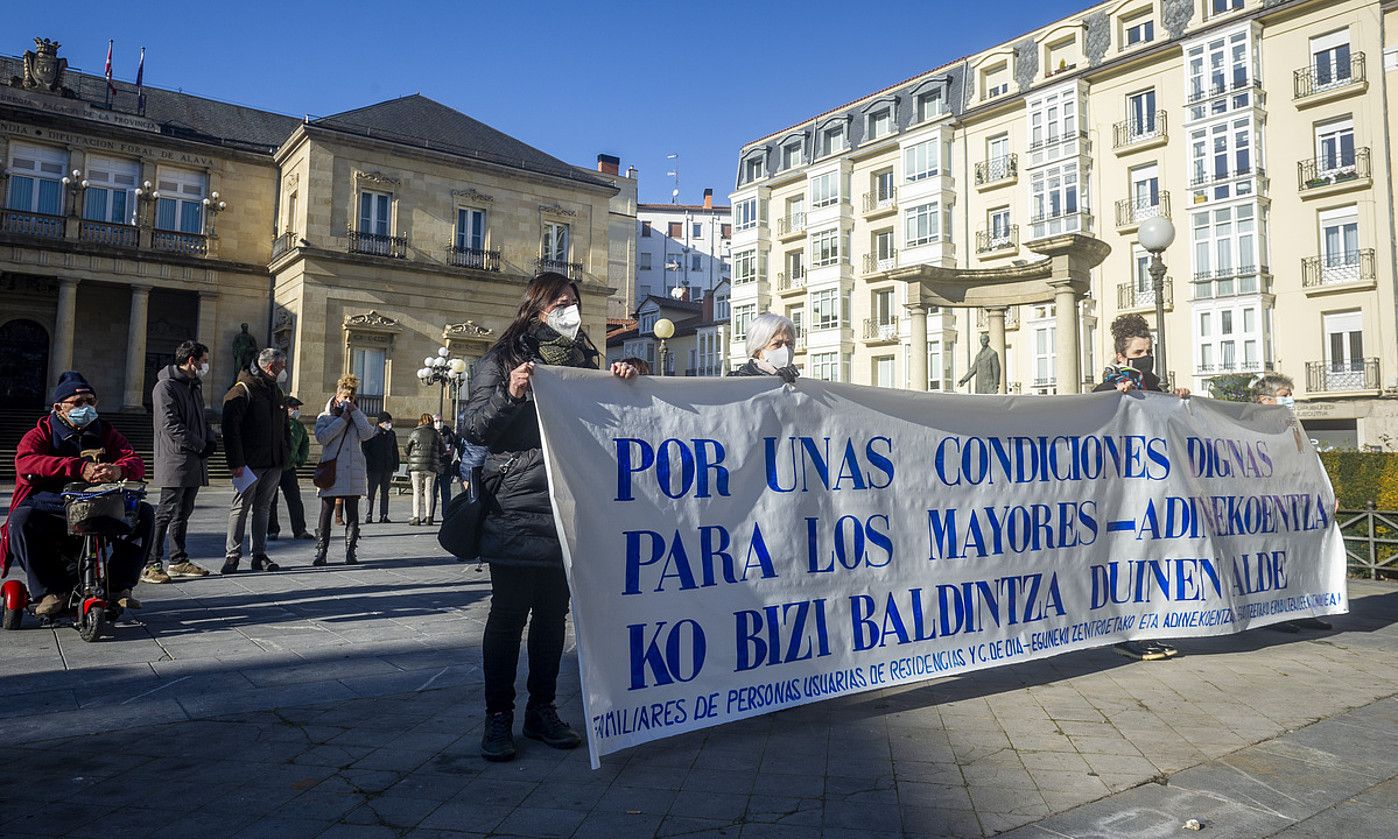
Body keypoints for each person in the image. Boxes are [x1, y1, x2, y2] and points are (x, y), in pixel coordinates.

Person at [463, 271, 638, 762]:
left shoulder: (585, 360)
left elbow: (614, 421)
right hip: (518, 502)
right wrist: (511, 394)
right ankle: (497, 717)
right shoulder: (501, 360)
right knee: (508, 614)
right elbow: (475, 428)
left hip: (572, 499)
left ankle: (542, 711)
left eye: (574, 301)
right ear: (536, 307)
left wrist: (630, 379)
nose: (570, 308)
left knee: (552, 616)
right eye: (559, 301)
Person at [1, 372, 152, 616]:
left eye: (90, 402)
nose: (86, 408)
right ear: (59, 407)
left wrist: (118, 469)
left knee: (143, 514)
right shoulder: (41, 432)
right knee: (20, 521)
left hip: (96, 504)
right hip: (52, 507)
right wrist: (78, 468)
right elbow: (27, 462)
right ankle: (50, 591)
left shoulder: (105, 431)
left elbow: (134, 460)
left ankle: (119, 586)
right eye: (78, 403)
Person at [1093, 314, 1188, 661]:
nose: (1145, 357)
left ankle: (1150, 629)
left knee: (1152, 560)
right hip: (1122, 492)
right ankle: (1126, 633)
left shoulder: (1154, 386)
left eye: (1148, 351)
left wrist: (1179, 400)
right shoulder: (1104, 388)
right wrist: (1114, 399)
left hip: (1154, 489)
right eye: (1138, 352)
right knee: (1127, 560)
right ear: (1121, 356)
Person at [1251, 372, 1332, 633]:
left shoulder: (1293, 425)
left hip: (1296, 503)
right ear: (1265, 400)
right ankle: (1274, 612)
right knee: (1274, 557)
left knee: (1300, 556)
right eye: (1285, 396)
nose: (1291, 401)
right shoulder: (1249, 426)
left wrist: (1327, 494)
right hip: (1268, 504)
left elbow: (1308, 462)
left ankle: (1304, 608)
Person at [143, 339, 215, 584]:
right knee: (166, 510)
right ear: (192, 360)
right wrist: (199, 443)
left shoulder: (195, 385)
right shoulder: (166, 387)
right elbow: (170, 424)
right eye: (204, 361)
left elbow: (202, 417)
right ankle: (152, 563)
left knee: (184, 511)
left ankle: (178, 559)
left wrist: (210, 438)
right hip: (175, 458)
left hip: (194, 458)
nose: (206, 366)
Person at [221, 348, 291, 574]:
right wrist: (236, 462)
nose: (284, 371)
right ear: (271, 367)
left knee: (264, 508)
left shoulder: (276, 391)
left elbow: (284, 427)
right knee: (240, 507)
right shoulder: (243, 390)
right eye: (282, 366)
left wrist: (285, 454)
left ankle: (259, 554)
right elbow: (230, 429)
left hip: (273, 461)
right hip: (249, 463)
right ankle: (232, 555)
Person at [313, 374, 373, 565]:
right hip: (332, 470)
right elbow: (323, 438)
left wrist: (354, 412)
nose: (347, 401)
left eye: (351, 398)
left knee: (352, 511)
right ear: (337, 396)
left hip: (353, 470)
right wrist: (342, 420)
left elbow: (367, 434)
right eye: (345, 398)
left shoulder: (357, 416)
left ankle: (350, 552)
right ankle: (321, 553)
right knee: (327, 509)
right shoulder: (324, 416)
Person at [267, 396, 314, 541]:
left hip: (289, 468)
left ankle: (300, 529)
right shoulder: (275, 422)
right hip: (274, 467)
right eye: (294, 408)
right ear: (285, 408)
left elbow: (305, 444)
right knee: (271, 501)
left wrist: (300, 459)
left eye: (297, 408)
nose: (296, 410)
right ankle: (272, 530)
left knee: (295, 500)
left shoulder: (299, 427)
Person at [729, 312, 800, 382]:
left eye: (790, 344)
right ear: (757, 351)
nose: (786, 349)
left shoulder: (798, 382)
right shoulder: (737, 382)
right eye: (776, 344)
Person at [362, 411, 399, 524]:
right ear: (381, 423)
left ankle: (384, 515)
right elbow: (365, 449)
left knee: (385, 492)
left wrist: (395, 464)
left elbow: (394, 450)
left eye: (390, 422)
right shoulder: (372, 433)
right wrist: (370, 462)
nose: (389, 424)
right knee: (371, 492)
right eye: (387, 422)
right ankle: (369, 515)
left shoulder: (391, 434)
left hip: (387, 467)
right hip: (374, 468)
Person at [406, 413, 442, 526]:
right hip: (431, 466)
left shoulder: (414, 432)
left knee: (416, 491)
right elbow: (442, 449)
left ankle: (416, 517)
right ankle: (429, 517)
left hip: (416, 467)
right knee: (429, 491)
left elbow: (407, 448)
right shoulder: (436, 434)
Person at [434, 415, 459, 510]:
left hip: (445, 465)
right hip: (434, 466)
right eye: (436, 421)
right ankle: (430, 514)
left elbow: (454, 445)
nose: (439, 423)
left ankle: (446, 513)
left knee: (446, 492)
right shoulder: (431, 433)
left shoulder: (449, 434)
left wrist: (450, 452)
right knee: (432, 491)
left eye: (440, 420)